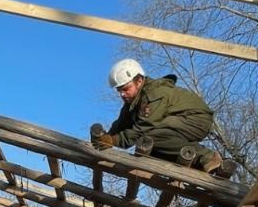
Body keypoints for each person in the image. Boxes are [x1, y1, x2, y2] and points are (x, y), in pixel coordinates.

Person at [90, 59, 221, 172]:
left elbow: (143, 128)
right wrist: (106, 138)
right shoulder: (133, 103)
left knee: (149, 137)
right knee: (149, 149)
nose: (122, 94)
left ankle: (207, 157)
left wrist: (114, 141)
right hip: (180, 121)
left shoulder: (153, 94)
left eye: (125, 89)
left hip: (196, 119)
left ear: (139, 81)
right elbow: (122, 123)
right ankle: (194, 164)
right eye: (119, 91)